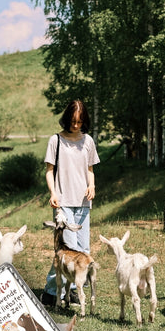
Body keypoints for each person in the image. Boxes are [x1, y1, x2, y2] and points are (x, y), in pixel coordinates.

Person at [40, 99, 100, 306]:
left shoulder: (88, 141)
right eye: (73, 121)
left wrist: (91, 186)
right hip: (63, 201)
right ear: (67, 119)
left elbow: (90, 170)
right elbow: (50, 171)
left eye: (80, 121)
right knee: (68, 249)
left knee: (83, 249)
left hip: (83, 202)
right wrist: (53, 193)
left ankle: (68, 291)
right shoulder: (56, 141)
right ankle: (53, 291)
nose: (76, 125)